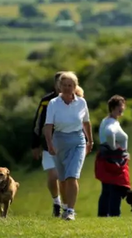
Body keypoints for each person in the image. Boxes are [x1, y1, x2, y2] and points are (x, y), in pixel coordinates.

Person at [43, 71, 93, 221]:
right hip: (59, 140)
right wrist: (49, 144)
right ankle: (65, 207)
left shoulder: (81, 103)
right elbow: (48, 126)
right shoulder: (53, 104)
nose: (66, 88)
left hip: (78, 141)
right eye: (64, 85)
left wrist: (90, 141)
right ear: (59, 87)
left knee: (72, 176)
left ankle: (70, 210)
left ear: (75, 86)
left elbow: (86, 122)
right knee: (63, 179)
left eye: (70, 85)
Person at [31, 70, 66, 217]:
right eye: (59, 83)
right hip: (48, 145)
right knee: (53, 176)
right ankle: (56, 202)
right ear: (55, 84)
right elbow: (37, 122)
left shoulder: (75, 99)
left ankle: (67, 207)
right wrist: (34, 144)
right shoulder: (46, 101)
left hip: (67, 145)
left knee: (66, 177)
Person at [95, 95, 130, 217]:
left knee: (106, 189)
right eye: (120, 108)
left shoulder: (105, 120)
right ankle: (115, 214)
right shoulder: (111, 123)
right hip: (114, 161)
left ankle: (103, 215)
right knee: (116, 189)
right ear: (114, 108)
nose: (122, 110)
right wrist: (115, 149)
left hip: (104, 158)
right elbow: (110, 132)